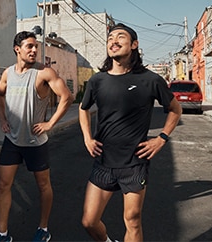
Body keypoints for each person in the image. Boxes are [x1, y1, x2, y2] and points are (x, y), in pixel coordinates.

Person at [78, 23, 182, 242]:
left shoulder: (151, 80)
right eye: (110, 38)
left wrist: (162, 138)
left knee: (133, 219)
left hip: (135, 162)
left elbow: (175, 109)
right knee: (89, 221)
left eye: (120, 37)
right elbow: (83, 109)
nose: (113, 41)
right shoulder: (98, 80)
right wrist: (87, 138)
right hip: (104, 161)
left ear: (134, 45)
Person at [0, 31, 73, 242]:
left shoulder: (44, 73)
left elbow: (67, 97)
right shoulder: (7, 73)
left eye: (36, 46)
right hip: (12, 140)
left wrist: (50, 123)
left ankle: (43, 228)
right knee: (3, 185)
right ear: (17, 49)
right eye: (29, 46)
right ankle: (2, 234)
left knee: (43, 186)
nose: (34, 50)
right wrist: (2, 119)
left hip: (35, 142)